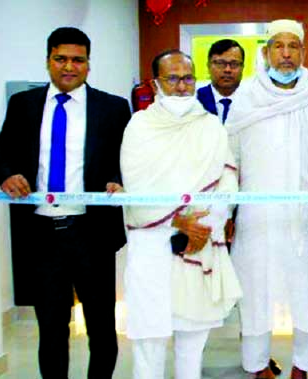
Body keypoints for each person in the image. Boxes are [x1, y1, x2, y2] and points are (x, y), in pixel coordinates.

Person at [0, 27, 129, 378]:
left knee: (101, 328)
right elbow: (2, 152)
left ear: (88, 64)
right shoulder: (23, 104)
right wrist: (7, 174)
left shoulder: (113, 108)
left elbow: (127, 160)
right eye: (60, 58)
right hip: (41, 236)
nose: (69, 66)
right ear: (48, 61)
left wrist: (120, 181)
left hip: (92, 233)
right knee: (51, 328)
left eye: (78, 60)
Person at [226, 19, 308, 379]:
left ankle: (303, 367)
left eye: (294, 46)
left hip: (306, 217)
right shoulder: (246, 97)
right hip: (255, 216)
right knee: (255, 293)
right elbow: (230, 162)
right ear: (266, 53)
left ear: (304, 53)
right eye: (279, 46)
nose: (287, 54)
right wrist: (226, 211)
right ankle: (258, 366)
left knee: (306, 293)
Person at [121, 49, 242, 379]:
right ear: (156, 82)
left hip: (200, 239)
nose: (180, 86)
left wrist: (204, 224)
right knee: (150, 339)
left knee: (192, 340)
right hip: (152, 243)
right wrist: (177, 220)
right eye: (171, 79)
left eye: (187, 78)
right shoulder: (139, 125)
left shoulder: (210, 126)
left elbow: (228, 179)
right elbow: (135, 184)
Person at [197, 39, 245, 125]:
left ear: (242, 67)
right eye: (220, 63)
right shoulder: (195, 100)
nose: (227, 69)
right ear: (208, 66)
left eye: (234, 64)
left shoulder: (255, 101)